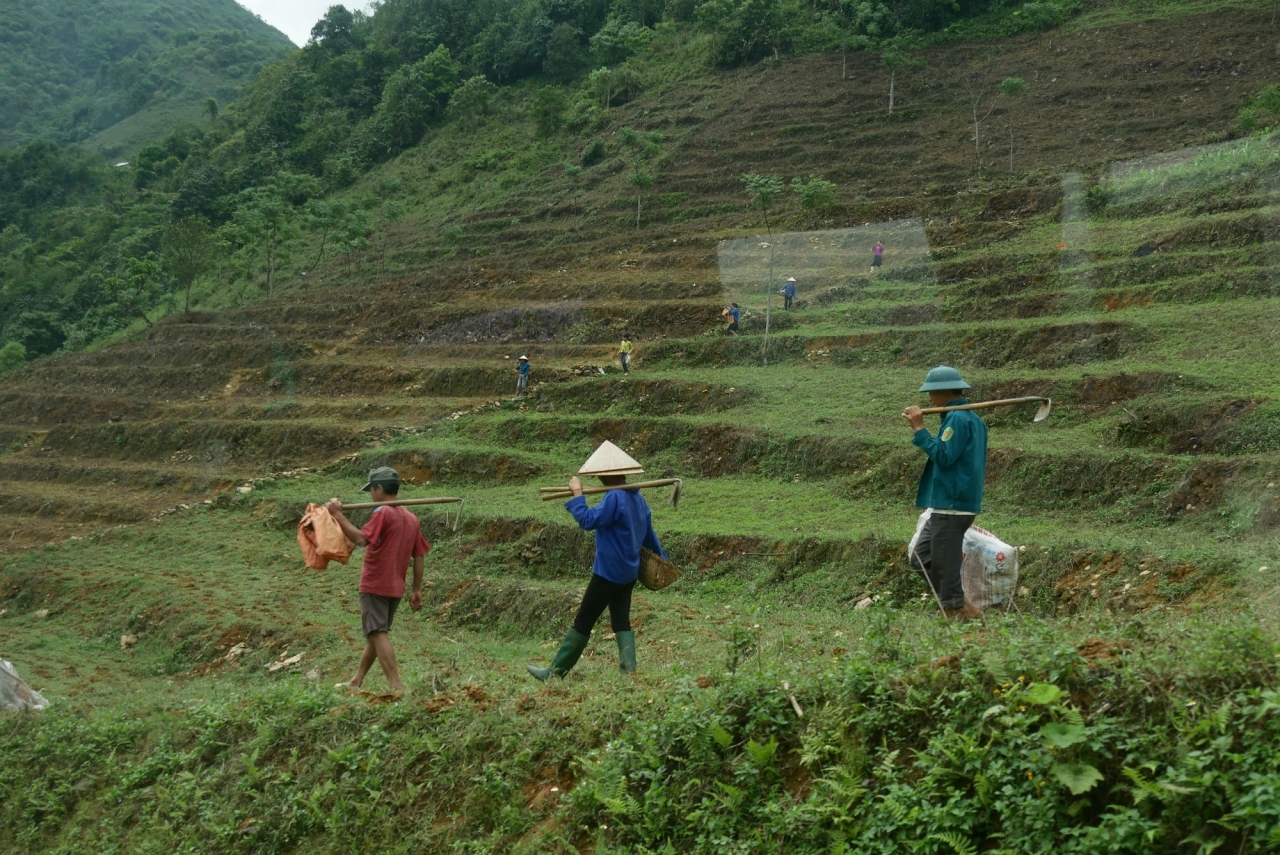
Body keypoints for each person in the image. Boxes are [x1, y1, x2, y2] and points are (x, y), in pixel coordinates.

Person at [528, 441, 666, 680]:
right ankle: (629, 674)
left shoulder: (614, 497)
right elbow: (649, 536)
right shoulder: (637, 498)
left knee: (583, 620)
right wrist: (663, 560)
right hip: (629, 573)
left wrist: (578, 494)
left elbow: (588, 521)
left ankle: (554, 673)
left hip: (609, 573)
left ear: (602, 475)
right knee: (621, 621)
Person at [326, 467, 430, 693]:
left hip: (375, 584)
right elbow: (419, 555)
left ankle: (396, 685)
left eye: (372, 490)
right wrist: (416, 589)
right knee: (376, 633)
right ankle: (356, 681)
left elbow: (362, 539)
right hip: (395, 588)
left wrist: (337, 515)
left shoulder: (383, 512)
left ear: (380, 488)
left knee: (376, 632)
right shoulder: (411, 518)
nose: (371, 496)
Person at [902, 367, 988, 621]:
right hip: (945, 504)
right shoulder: (965, 418)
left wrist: (919, 429)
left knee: (944, 567)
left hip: (952, 504)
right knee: (922, 557)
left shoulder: (958, 419)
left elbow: (944, 456)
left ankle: (955, 614)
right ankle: (967, 608)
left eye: (932, 394)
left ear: (944, 391)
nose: (930, 400)